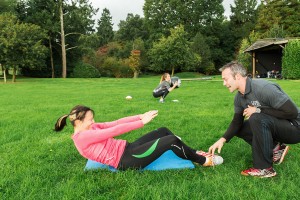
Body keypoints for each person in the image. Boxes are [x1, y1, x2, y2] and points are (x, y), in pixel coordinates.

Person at [54, 105, 223, 170]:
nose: (94, 122)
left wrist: (139, 115)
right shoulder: (82, 137)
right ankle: (204, 162)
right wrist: (142, 123)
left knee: (163, 131)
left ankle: (194, 153)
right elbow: (113, 131)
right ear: (79, 122)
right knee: (171, 141)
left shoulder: (91, 127)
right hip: (126, 160)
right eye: (90, 119)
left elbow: (116, 122)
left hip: (127, 148)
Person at [208, 61, 300, 178]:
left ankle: (264, 169)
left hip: (295, 126)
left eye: (225, 79)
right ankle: (275, 148)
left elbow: (291, 112)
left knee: (256, 117)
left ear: (237, 77)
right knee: (241, 128)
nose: (224, 83)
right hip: (280, 125)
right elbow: (237, 122)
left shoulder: (263, 88)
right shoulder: (239, 98)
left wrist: (258, 110)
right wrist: (223, 139)